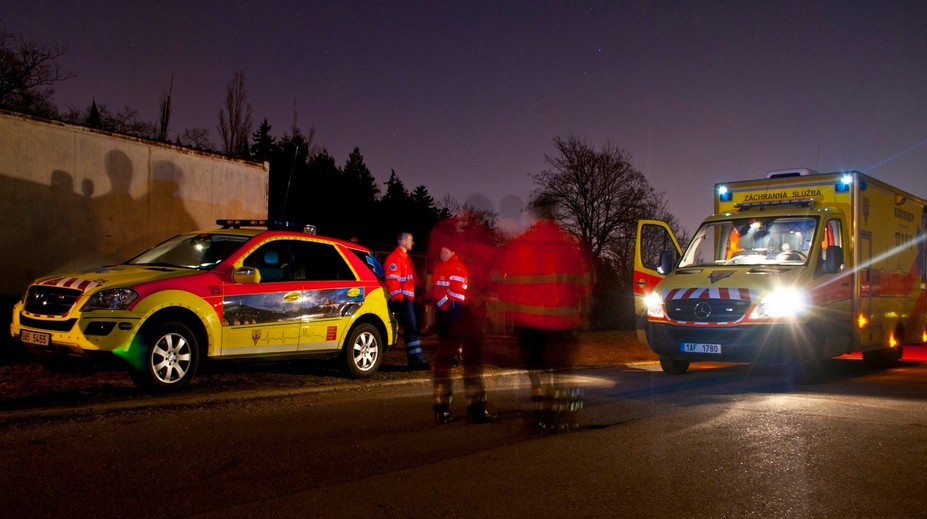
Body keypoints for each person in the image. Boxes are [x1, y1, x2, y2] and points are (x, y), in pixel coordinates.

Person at [495, 205, 593, 431]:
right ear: (553, 218)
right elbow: (583, 285)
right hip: (562, 322)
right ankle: (560, 414)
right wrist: (583, 313)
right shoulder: (569, 246)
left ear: (535, 219)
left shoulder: (520, 245)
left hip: (528, 323)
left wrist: (507, 315)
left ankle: (539, 413)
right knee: (559, 371)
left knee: (536, 371)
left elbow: (507, 284)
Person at [428, 242, 495, 424]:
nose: (442, 253)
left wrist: (441, 304)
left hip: (448, 316)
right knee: (471, 364)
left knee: (444, 363)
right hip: (464, 317)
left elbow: (444, 291)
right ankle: (476, 409)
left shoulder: (449, 266)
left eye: (445, 250)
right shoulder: (466, 265)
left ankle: (441, 409)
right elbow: (461, 293)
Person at [385, 232, 430, 370]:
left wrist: (418, 291)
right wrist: (400, 299)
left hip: (408, 299)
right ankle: (416, 360)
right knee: (411, 329)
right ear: (402, 241)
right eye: (410, 239)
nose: (413, 242)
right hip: (404, 300)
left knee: (413, 329)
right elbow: (392, 282)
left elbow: (411, 279)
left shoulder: (405, 259)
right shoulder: (395, 258)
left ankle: (415, 359)